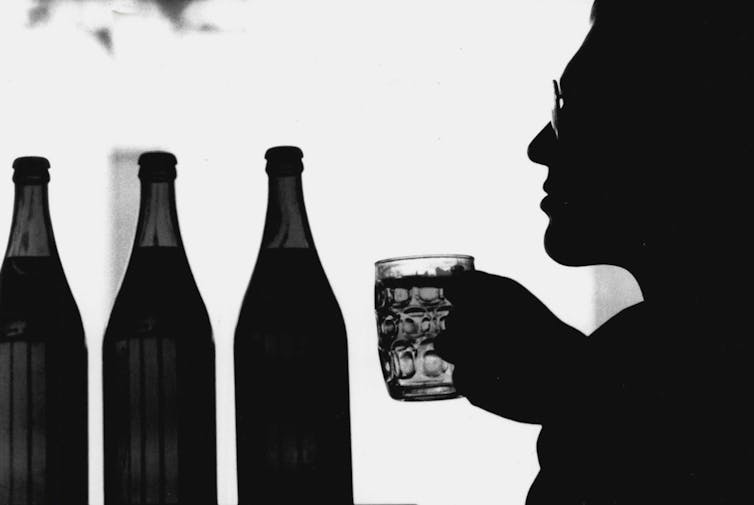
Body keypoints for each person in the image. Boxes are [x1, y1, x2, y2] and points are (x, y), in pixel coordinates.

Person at [434, 1, 752, 503]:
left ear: (682, 127)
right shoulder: (639, 351)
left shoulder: (646, 365)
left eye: (576, 110)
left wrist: (580, 395)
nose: (539, 146)